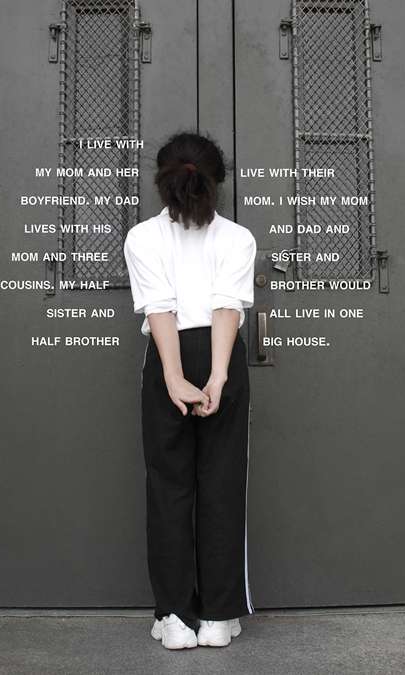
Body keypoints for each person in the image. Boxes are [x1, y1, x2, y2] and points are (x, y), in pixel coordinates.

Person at [124, 132, 258, 650]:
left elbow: (161, 309)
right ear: (216, 183)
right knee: (222, 484)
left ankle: (176, 619)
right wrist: (218, 376)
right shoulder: (238, 238)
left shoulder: (142, 237)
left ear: (161, 184)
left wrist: (173, 376)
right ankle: (219, 618)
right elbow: (227, 308)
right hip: (221, 354)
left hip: (169, 355)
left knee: (169, 487)